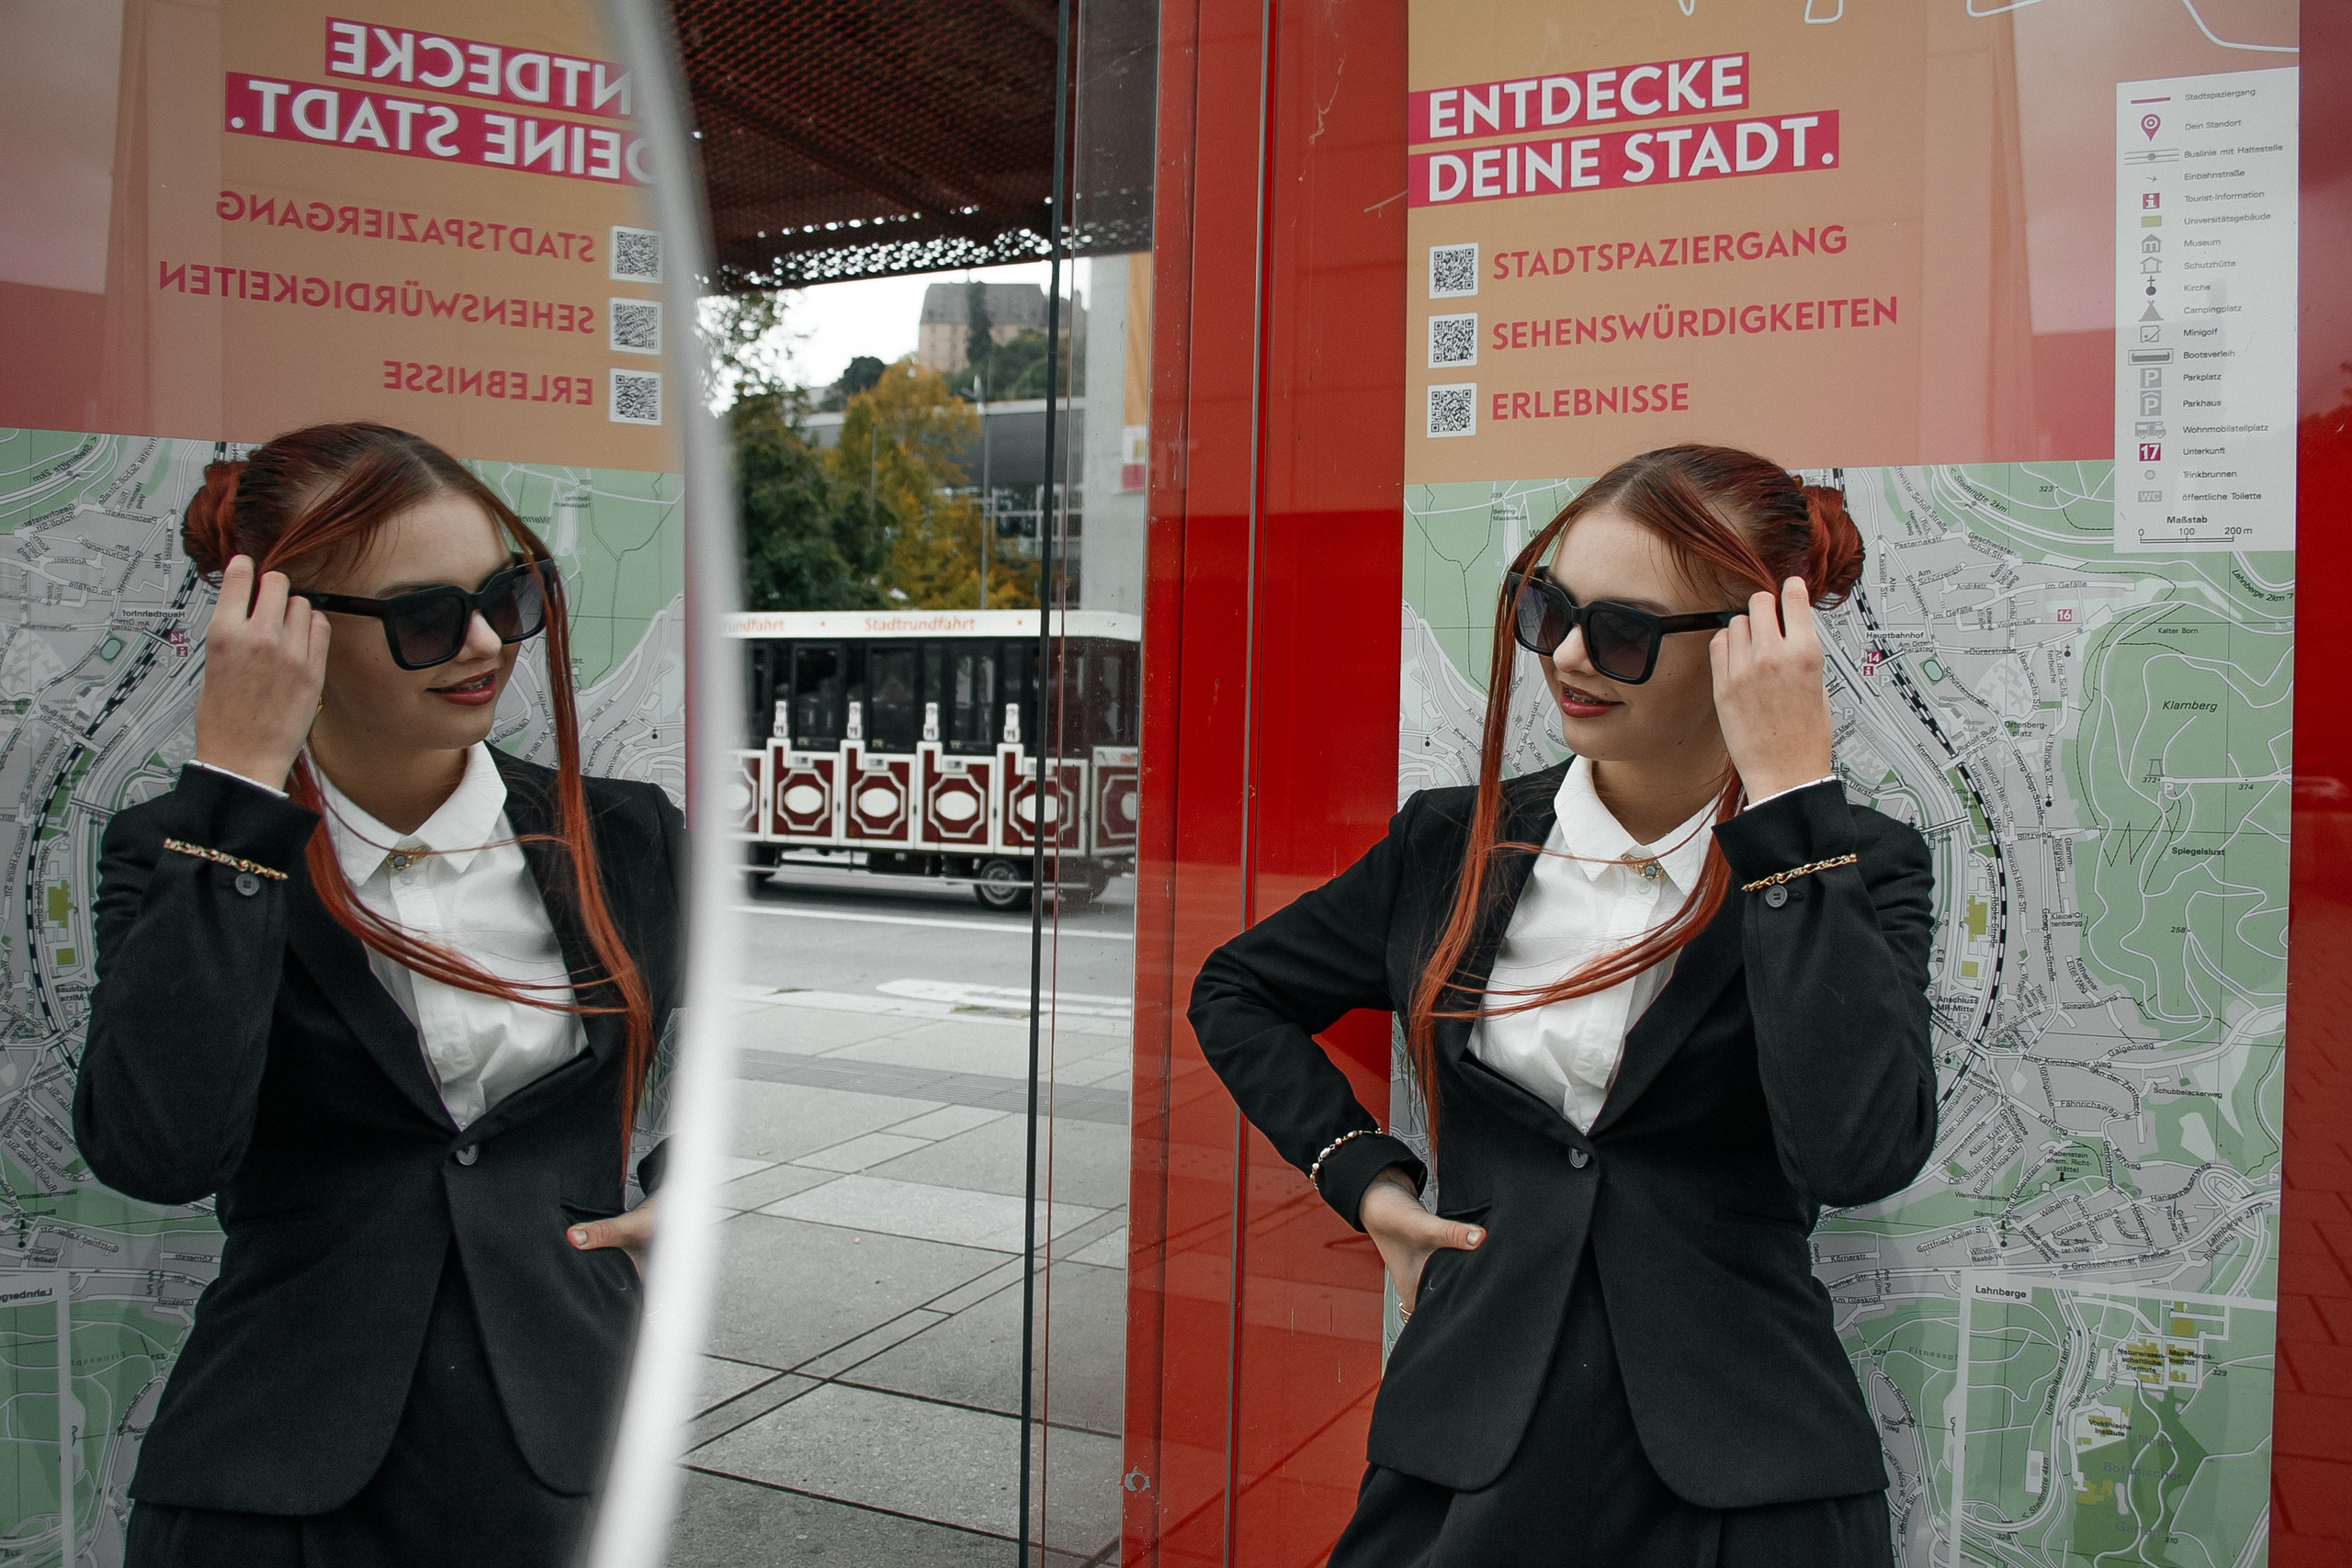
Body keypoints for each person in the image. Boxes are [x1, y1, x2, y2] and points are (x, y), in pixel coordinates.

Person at [1190, 445, 1936, 1565]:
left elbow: (1857, 1154)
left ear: (1749, 650)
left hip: (1748, 1474)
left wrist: (1791, 805)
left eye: (1626, 631)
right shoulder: (1454, 842)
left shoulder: (1849, 865)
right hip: (1467, 1445)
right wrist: (1365, 1179)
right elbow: (1238, 989)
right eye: (1548, 609)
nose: (1570, 655)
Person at [75, 423, 684, 1566]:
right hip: (272, 1484)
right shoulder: (187, 849)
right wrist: (237, 786)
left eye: (506, 594)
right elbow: (159, 1152)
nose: (484, 642)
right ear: (288, 633)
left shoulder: (623, 838)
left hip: (561, 1457)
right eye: (423, 617)